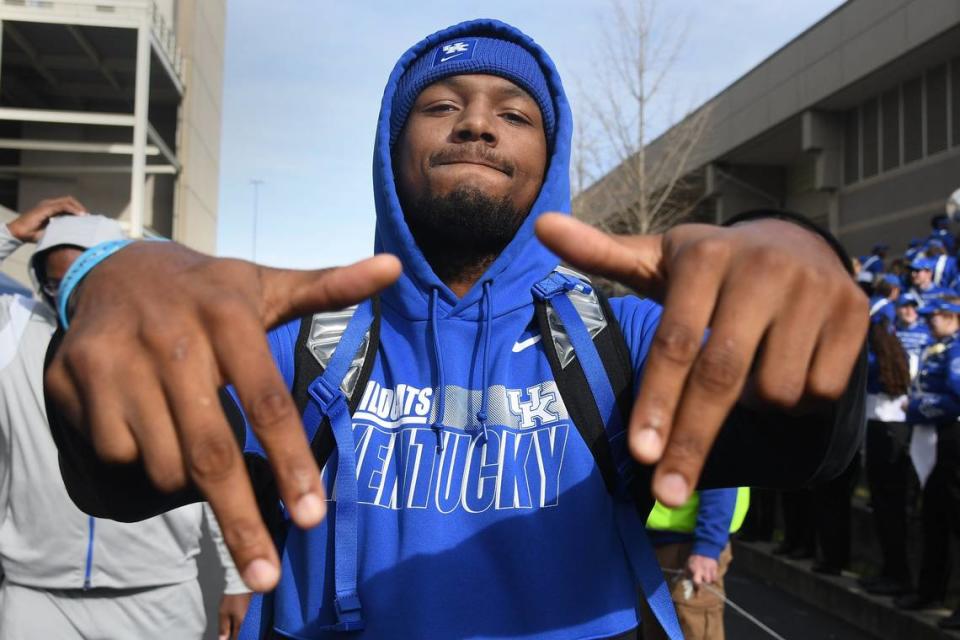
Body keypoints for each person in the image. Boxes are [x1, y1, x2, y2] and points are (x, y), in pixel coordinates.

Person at [41, 20, 868, 640]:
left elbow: (810, 442)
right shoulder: (301, 344)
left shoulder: (627, 337)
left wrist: (802, 255)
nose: (476, 123)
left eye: (515, 112)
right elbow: (113, 478)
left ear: (552, 162)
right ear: (389, 156)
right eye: (441, 105)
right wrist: (102, 288)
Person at [0, 202, 251, 640]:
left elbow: (211, 462)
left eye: (85, 274)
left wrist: (237, 576)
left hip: (158, 595)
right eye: (55, 281)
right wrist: (11, 233)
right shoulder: (14, 329)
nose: (69, 292)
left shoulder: (168, 335)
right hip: (37, 593)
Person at [895, 298, 960, 629]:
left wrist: (918, 407)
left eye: (936, 315)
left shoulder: (955, 349)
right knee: (933, 518)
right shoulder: (938, 347)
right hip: (931, 439)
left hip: (951, 438)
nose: (930, 321)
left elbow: (956, 395)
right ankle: (929, 590)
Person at [642, 488, 747, 640]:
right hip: (657, 545)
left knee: (694, 628)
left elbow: (721, 480)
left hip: (689, 547)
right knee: (656, 628)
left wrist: (707, 547)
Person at [860, 313, 914, 594]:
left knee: (886, 509)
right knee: (889, 510)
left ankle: (895, 573)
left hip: (882, 432)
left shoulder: (871, 361)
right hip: (896, 431)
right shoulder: (898, 355)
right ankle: (892, 571)